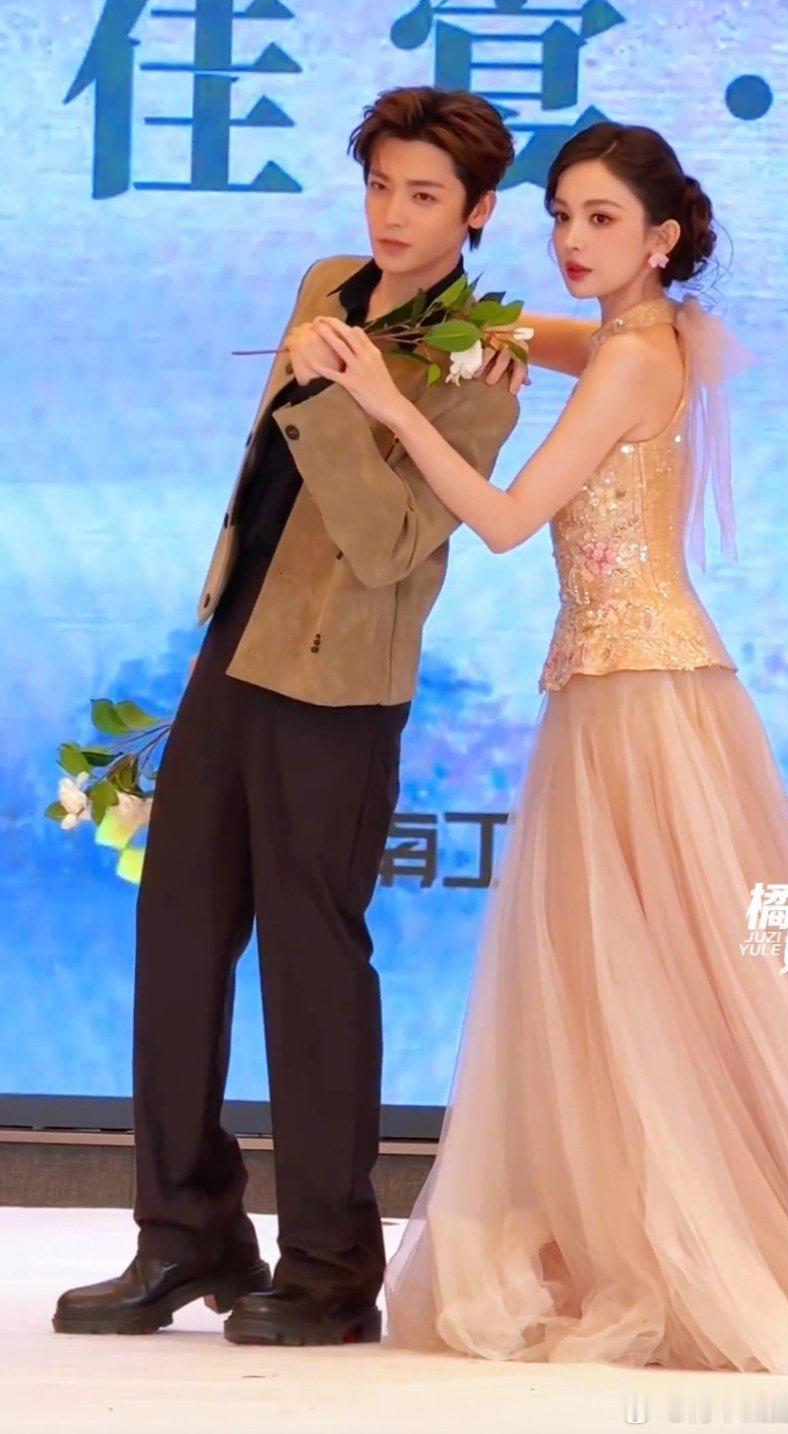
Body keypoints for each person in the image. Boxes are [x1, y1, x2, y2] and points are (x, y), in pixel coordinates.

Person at [302, 121, 788, 1371]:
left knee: (665, 984)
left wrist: (383, 399)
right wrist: (442, 328)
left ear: (662, 236)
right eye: (560, 217)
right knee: (648, 987)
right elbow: (538, 336)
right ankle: (654, 1234)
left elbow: (508, 520)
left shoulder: (635, 360)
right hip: (632, 690)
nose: (571, 241)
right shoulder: (650, 334)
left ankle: (713, 1257)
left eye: (602, 221)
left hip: (639, 700)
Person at [51, 87, 523, 1347]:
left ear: (478, 212)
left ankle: (329, 1265)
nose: (392, 215)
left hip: (341, 684)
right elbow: (263, 479)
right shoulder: (327, 282)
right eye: (379, 186)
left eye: (424, 195)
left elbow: (388, 544)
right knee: (177, 937)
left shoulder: (485, 361)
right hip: (238, 644)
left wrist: (341, 399)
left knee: (313, 965)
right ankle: (185, 1231)